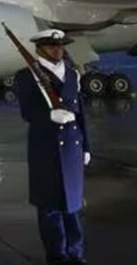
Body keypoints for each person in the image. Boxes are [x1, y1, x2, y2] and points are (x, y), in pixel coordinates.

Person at [14, 30, 90, 265]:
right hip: (45, 147)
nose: (58, 50)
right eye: (51, 46)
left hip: (71, 146)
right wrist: (49, 115)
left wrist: (86, 145)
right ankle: (56, 255)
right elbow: (27, 112)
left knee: (73, 204)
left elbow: (80, 113)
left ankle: (75, 252)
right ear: (39, 48)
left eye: (60, 46)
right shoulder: (26, 76)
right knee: (50, 206)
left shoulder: (72, 74)